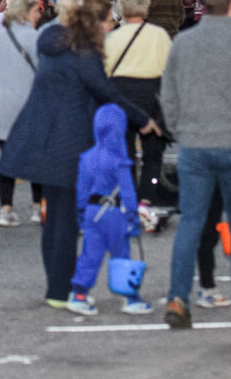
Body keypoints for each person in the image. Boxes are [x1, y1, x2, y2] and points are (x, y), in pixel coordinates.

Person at [0, 0, 153, 311]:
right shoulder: (84, 54)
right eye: (110, 20)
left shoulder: (57, 47)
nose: (113, 25)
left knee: (55, 215)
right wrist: (144, 121)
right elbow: (106, 92)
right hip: (66, 145)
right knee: (66, 220)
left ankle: (56, 290)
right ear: (96, 23)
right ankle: (63, 291)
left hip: (42, 139)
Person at [161, 0, 231, 330]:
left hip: (194, 144)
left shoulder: (183, 43)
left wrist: (181, 129)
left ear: (206, 4)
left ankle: (177, 299)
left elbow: (169, 97)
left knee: (190, 222)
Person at [67, 105, 150, 316]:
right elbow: (128, 193)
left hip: (93, 212)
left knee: (90, 254)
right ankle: (130, 298)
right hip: (113, 214)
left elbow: (81, 189)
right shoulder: (119, 160)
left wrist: (80, 212)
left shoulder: (87, 157)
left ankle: (79, 293)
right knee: (121, 255)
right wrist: (132, 218)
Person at [104, 0, 174, 229]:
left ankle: (127, 198)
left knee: (124, 152)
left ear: (122, 10)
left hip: (120, 93)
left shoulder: (112, 38)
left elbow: (105, 72)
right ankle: (146, 199)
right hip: (151, 93)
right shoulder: (159, 35)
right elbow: (169, 70)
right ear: (146, 7)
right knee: (153, 151)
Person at [0, 0, 47, 227]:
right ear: (28, 12)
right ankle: (39, 207)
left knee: (7, 159)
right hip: (27, 108)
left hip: (0, 108)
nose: (40, 14)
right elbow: (42, 74)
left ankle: (5, 209)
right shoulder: (35, 38)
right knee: (38, 159)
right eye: (37, 10)